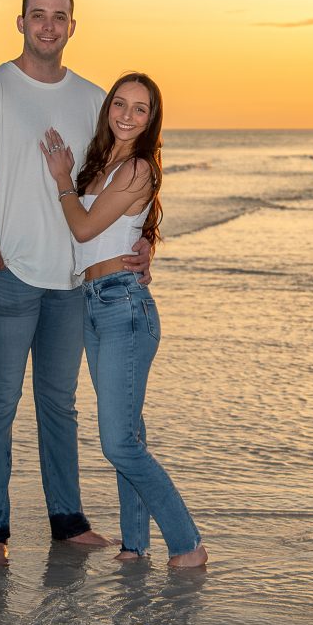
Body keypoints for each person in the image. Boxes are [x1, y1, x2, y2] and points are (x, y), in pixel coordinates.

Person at [0, 0, 151, 565]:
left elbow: (123, 186)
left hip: (72, 282)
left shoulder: (92, 99)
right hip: (8, 279)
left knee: (60, 405)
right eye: (39, 16)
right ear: (21, 23)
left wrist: (144, 246)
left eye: (60, 17)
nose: (49, 26)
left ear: (72, 26)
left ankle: (67, 520)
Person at [40, 72, 208, 568]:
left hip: (123, 307)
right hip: (93, 301)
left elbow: (85, 225)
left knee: (117, 442)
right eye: (120, 104)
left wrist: (59, 181)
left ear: (152, 119)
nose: (128, 115)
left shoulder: (136, 168)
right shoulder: (100, 165)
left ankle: (188, 544)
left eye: (140, 108)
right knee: (128, 435)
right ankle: (135, 546)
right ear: (108, 108)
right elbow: (96, 238)